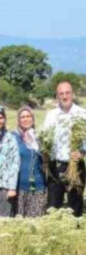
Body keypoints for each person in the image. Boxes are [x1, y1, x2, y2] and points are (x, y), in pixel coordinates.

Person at [42, 81, 86, 216]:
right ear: (57, 96)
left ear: (72, 94)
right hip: (55, 166)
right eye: (61, 94)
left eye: (67, 93)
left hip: (75, 166)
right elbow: (45, 137)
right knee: (53, 207)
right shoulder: (51, 115)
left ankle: (75, 233)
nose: (65, 96)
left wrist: (82, 152)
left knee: (75, 207)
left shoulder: (82, 113)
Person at [13, 106, 47, 217]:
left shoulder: (41, 136)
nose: (26, 119)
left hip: (38, 186)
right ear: (18, 120)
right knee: (19, 225)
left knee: (35, 224)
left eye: (28, 116)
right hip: (18, 187)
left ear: (33, 119)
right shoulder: (13, 137)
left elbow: (46, 160)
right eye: (22, 117)